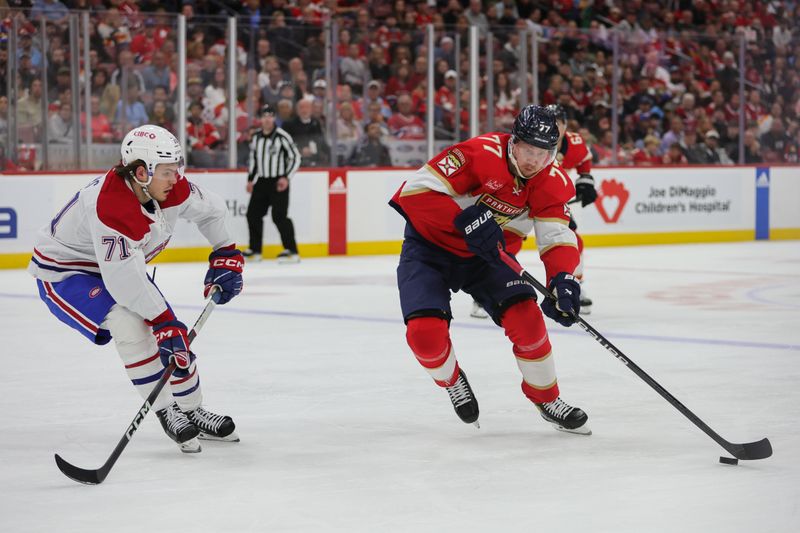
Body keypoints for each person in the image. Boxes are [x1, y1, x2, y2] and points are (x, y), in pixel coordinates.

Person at [28, 125, 244, 453]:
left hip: (119, 266)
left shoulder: (169, 187)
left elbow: (212, 210)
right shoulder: (111, 206)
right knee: (133, 324)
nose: (177, 178)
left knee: (171, 335)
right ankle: (167, 409)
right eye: (168, 172)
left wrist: (225, 251)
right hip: (68, 273)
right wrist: (164, 322)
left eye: (177, 169)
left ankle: (192, 408)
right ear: (142, 172)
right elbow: (123, 281)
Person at [389, 105, 590, 434]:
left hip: (490, 258)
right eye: (528, 151)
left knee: (528, 321)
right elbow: (414, 193)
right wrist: (461, 218)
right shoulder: (477, 154)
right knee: (425, 336)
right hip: (430, 249)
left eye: (544, 154)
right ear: (513, 142)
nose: (534, 162)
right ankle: (452, 380)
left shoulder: (552, 180)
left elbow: (557, 237)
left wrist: (563, 279)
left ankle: (547, 398)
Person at [548, 105, 598, 314]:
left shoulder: (574, 143)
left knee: (573, 241)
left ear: (566, 124)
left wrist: (585, 179)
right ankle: (484, 295)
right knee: (506, 243)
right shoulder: (532, 140)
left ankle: (572, 285)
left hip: (552, 202)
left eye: (559, 121)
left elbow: (584, 159)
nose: (555, 126)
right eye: (551, 121)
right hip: (520, 198)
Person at [244, 104, 302, 263]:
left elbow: (295, 157)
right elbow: (254, 160)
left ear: (274, 118)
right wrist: (250, 179)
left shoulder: (282, 136)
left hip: (278, 182)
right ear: (260, 119)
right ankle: (255, 250)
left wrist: (286, 177)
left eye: (270, 116)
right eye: (264, 116)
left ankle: (292, 250)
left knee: (279, 216)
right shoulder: (256, 137)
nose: (267, 119)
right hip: (262, 181)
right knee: (253, 214)